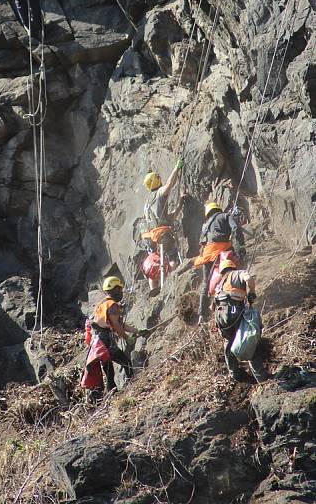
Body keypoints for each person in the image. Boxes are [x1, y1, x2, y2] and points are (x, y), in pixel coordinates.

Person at [214, 257, 269, 382]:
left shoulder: (220, 283)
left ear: (222, 271)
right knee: (248, 338)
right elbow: (249, 279)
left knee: (228, 342)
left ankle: (235, 373)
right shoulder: (238, 273)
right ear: (233, 267)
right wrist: (251, 293)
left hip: (220, 316)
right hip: (233, 311)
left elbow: (213, 304)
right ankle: (261, 376)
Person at [194, 201, 246, 323]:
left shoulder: (205, 225)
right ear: (218, 209)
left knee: (206, 283)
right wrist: (241, 247)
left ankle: (202, 314)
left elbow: (202, 243)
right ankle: (240, 298)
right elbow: (236, 229)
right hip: (223, 251)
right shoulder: (225, 216)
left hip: (207, 255)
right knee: (235, 272)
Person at [88, 276, 139, 394]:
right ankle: (131, 387)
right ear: (115, 289)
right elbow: (117, 326)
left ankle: (112, 394)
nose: (121, 292)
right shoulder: (112, 305)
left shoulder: (101, 305)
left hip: (97, 343)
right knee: (126, 363)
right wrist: (127, 338)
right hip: (106, 342)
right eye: (119, 289)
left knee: (109, 371)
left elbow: (121, 324)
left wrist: (138, 331)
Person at [141, 159, 184, 293]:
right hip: (163, 234)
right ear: (156, 181)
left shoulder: (147, 203)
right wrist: (177, 168)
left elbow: (167, 218)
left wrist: (179, 206)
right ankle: (173, 282)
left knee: (154, 261)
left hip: (150, 237)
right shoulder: (159, 194)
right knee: (172, 257)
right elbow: (170, 184)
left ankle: (153, 289)